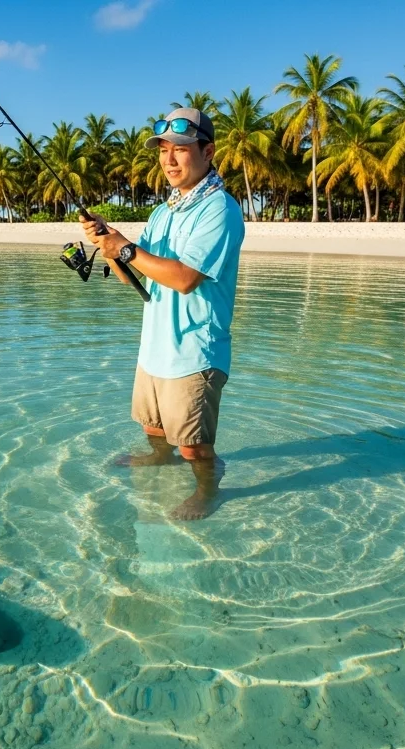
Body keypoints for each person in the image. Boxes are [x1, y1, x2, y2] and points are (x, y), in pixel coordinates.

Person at [81, 106, 245, 520]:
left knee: (193, 445)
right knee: (153, 427)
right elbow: (132, 275)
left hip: (194, 351)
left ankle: (209, 489)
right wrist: (107, 242)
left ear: (207, 152)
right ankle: (158, 457)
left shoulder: (220, 209)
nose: (169, 159)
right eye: (163, 150)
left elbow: (186, 278)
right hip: (155, 347)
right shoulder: (163, 211)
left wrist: (126, 248)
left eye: (181, 149)